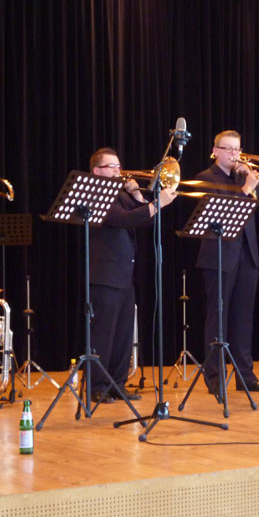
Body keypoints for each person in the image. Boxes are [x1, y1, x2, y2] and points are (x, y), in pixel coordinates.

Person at [87, 148, 177, 403]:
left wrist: (138, 194)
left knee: (124, 333)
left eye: (118, 165)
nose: (119, 170)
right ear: (97, 171)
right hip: (105, 274)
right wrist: (157, 203)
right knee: (103, 333)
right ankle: (96, 385)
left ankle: (117, 383)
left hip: (125, 273)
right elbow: (123, 220)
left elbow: (144, 219)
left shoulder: (120, 194)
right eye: (112, 166)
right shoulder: (95, 193)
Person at [196, 130, 259, 398]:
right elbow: (223, 214)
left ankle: (245, 376)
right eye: (228, 148)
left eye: (237, 149)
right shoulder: (206, 178)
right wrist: (246, 189)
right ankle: (214, 377)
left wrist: (253, 181)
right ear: (215, 151)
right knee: (217, 317)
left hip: (247, 255)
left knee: (243, 318)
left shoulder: (243, 177)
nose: (234, 154)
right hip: (218, 256)